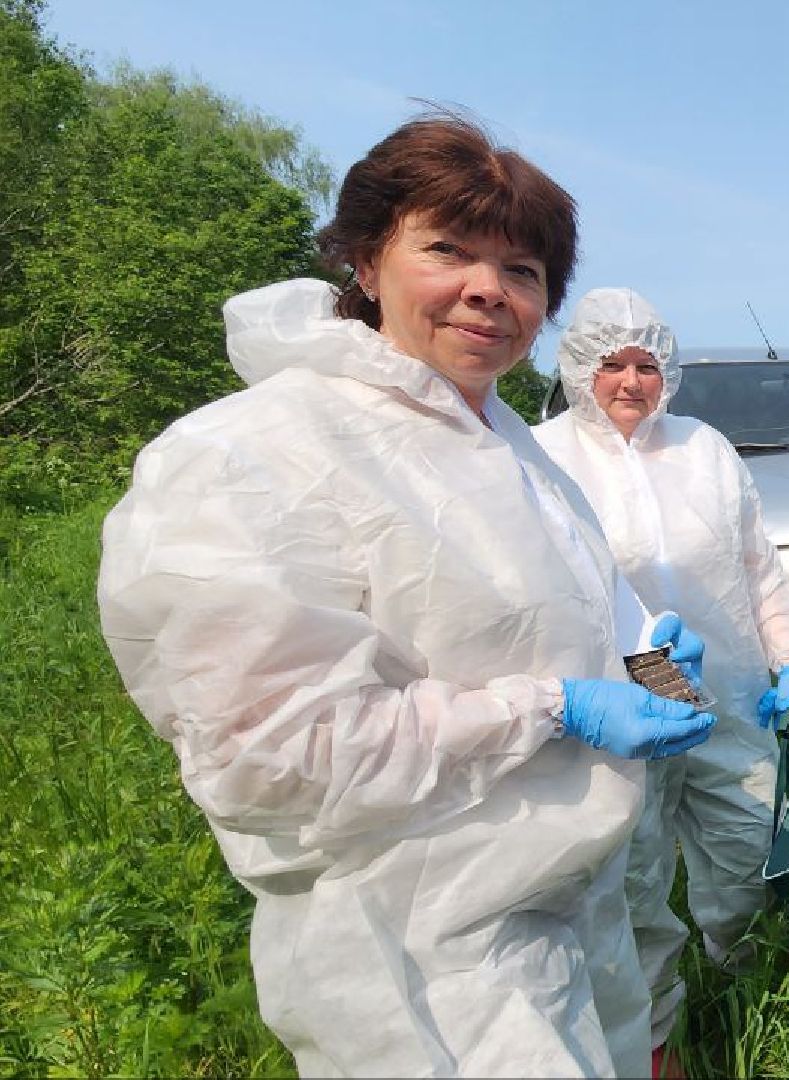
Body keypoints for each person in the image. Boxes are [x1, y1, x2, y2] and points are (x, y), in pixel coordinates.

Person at [96, 117, 716, 1078]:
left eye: (522, 270)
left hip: (570, 898)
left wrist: (653, 670)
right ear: (365, 260)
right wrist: (554, 707)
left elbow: (577, 619)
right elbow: (269, 752)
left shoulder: (506, 447)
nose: (488, 288)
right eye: (448, 249)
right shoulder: (258, 451)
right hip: (420, 944)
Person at [533, 288, 789, 1065]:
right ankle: (653, 1036)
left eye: (647, 364)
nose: (631, 381)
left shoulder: (705, 450)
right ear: (578, 369)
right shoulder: (540, 456)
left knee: (746, 847)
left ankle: (752, 996)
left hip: (728, 694)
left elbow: (760, 568)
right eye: (612, 364)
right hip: (619, 710)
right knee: (632, 881)